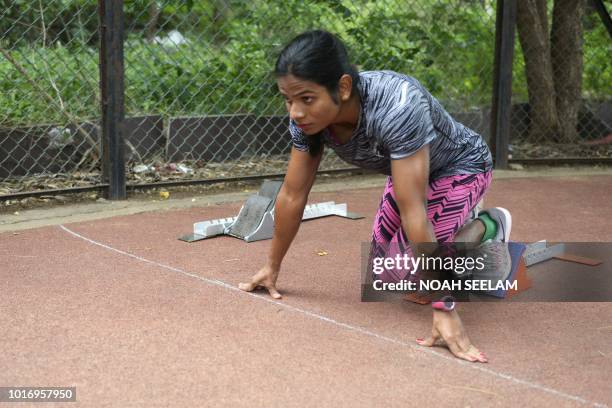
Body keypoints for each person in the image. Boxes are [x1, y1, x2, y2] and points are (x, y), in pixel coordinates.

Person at [239, 30, 512, 363]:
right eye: (288, 99)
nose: (295, 111)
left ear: (342, 87)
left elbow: (414, 211)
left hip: (461, 167)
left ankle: (487, 227)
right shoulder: (306, 120)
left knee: (418, 272)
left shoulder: (398, 104)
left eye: (306, 99)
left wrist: (444, 307)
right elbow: (293, 195)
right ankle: (454, 231)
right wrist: (272, 266)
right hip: (409, 173)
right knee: (387, 275)